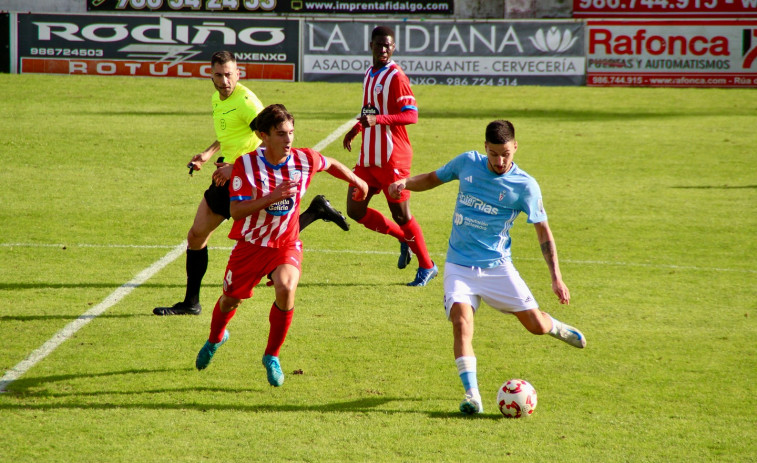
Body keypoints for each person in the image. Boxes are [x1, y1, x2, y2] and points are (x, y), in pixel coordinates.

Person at [389, 120, 587, 415]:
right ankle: (473, 396)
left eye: (506, 153)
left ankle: (554, 326)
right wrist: (406, 184)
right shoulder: (467, 163)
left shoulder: (525, 186)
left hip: (497, 268)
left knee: (535, 326)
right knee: (461, 323)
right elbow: (433, 178)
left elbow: (543, 232)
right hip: (459, 265)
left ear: (515, 147)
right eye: (494, 154)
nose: (500, 161)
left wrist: (556, 279)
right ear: (485, 148)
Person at [154, 50, 348, 316]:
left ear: (238, 74)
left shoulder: (246, 102)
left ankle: (192, 303)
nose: (224, 81)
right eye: (219, 75)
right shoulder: (218, 98)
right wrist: (208, 153)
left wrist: (237, 166)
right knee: (198, 235)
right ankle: (191, 303)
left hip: (245, 178)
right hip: (227, 175)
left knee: (251, 237)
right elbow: (232, 132)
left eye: (229, 75)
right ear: (210, 75)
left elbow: (265, 136)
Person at [194, 104, 369, 386]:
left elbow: (331, 163)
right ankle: (215, 338)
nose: (288, 140)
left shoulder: (303, 159)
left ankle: (271, 356)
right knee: (230, 300)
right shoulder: (246, 165)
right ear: (264, 136)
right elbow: (237, 211)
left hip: (285, 244)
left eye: (291, 132)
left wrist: (357, 180)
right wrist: (271, 197)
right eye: (281, 134)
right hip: (250, 245)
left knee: (286, 287)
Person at [342, 26, 437, 287]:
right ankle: (402, 239)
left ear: (393, 48)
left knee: (402, 215)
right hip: (368, 158)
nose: (384, 49)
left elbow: (411, 115)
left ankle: (427, 265)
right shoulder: (369, 73)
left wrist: (377, 120)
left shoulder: (396, 77)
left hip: (393, 157)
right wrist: (357, 128)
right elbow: (370, 110)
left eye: (389, 46)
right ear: (370, 45)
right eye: (380, 45)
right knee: (355, 210)